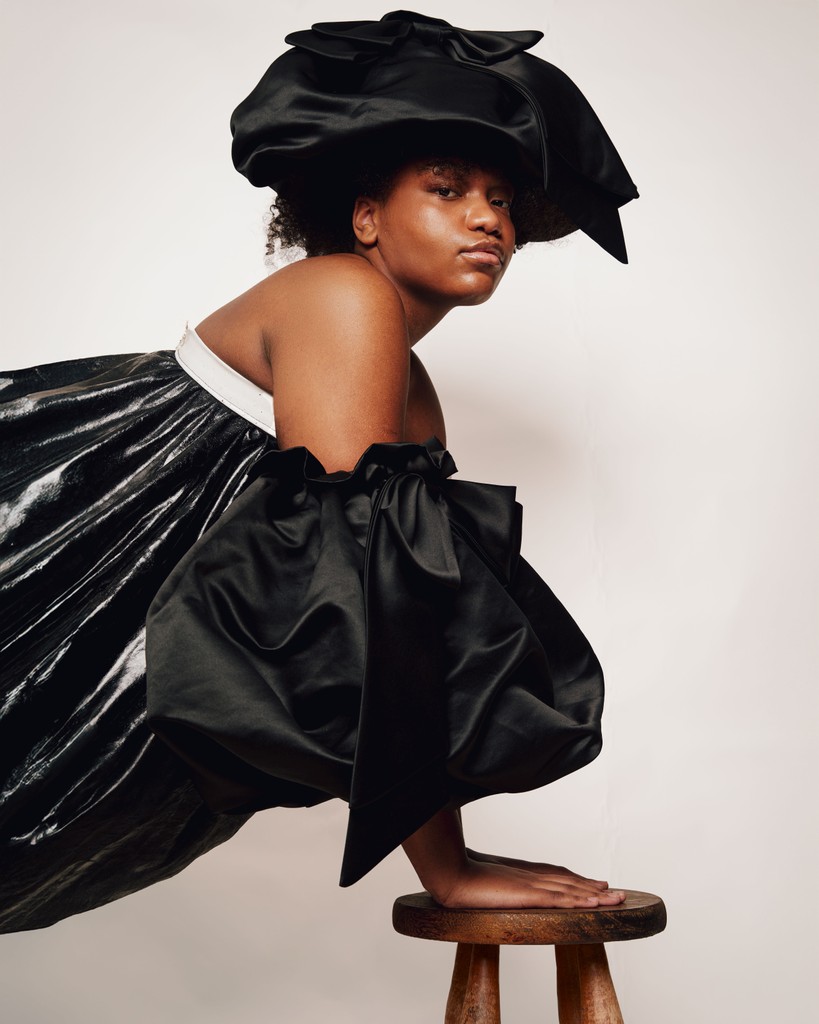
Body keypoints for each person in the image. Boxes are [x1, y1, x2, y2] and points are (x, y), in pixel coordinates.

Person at [0, 11, 638, 932]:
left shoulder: (409, 386)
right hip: (63, 578)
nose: (487, 219)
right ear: (365, 216)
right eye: (447, 189)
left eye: (501, 201)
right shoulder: (345, 295)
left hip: (130, 625)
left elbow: (403, 614)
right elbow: (363, 587)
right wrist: (447, 868)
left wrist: (447, 857)